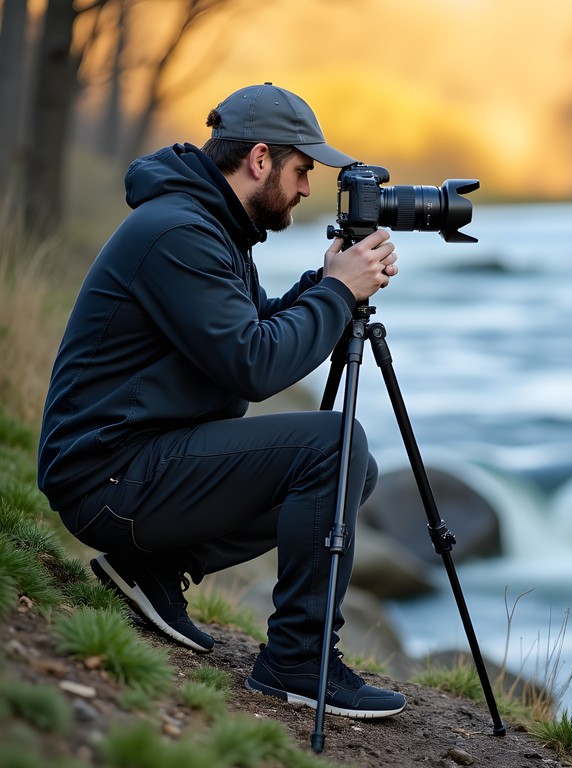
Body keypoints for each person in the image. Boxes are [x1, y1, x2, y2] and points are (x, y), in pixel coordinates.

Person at [37, 83, 406, 719]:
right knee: (334, 445)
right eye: (301, 170)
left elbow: (250, 327)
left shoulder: (208, 224)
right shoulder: (178, 231)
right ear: (260, 159)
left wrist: (323, 283)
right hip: (108, 477)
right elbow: (254, 365)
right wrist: (339, 295)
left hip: (131, 463)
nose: (306, 189)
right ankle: (298, 659)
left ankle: (153, 569)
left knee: (353, 467)